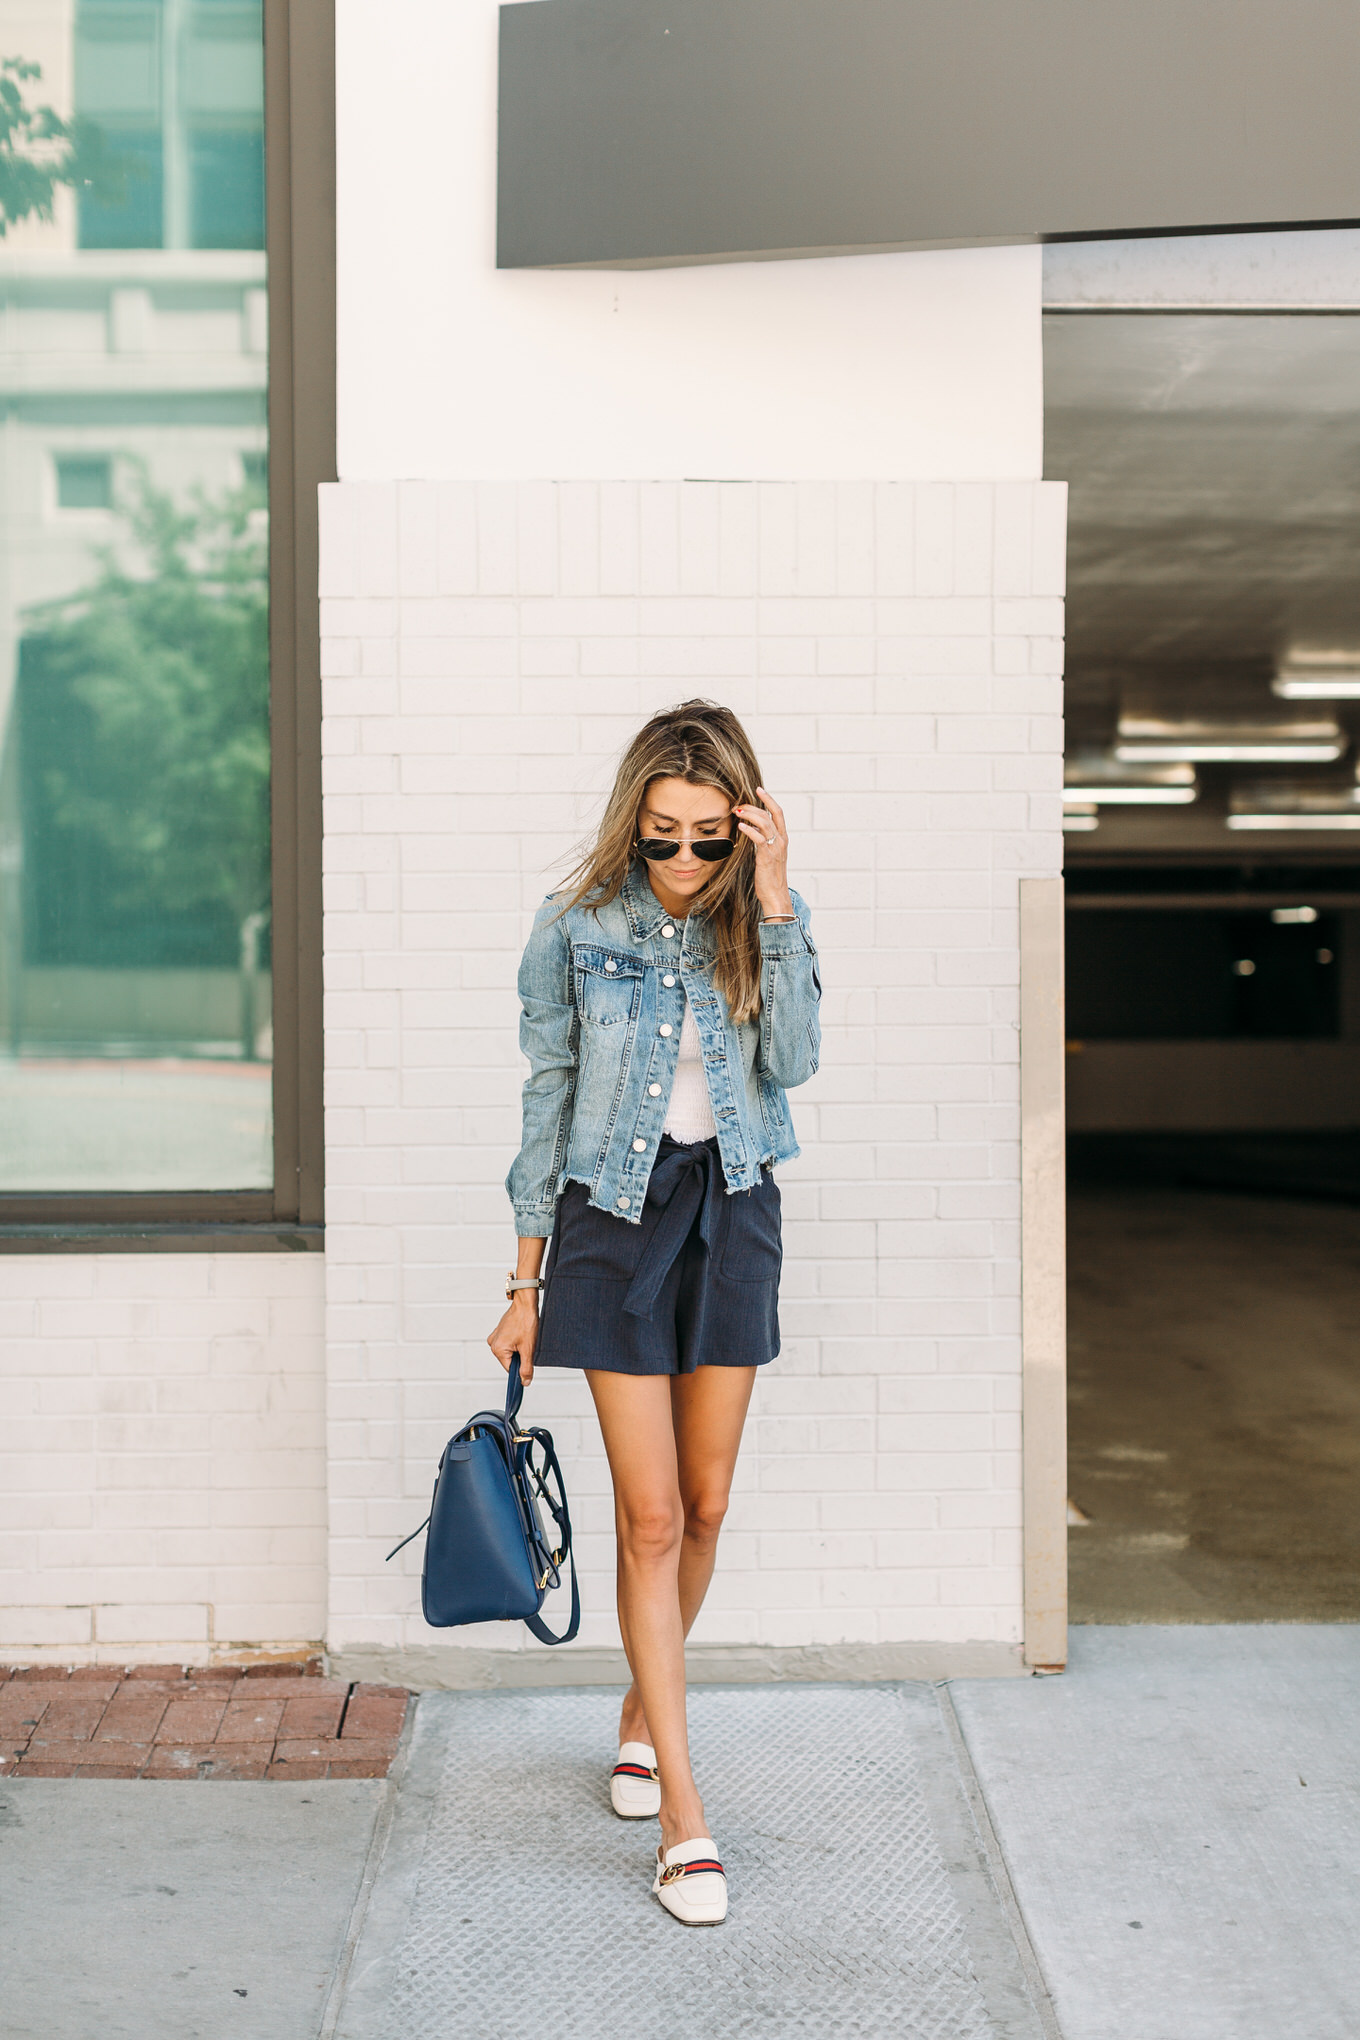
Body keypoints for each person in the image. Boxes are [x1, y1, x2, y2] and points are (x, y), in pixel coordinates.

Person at [487, 698, 821, 1926]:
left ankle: (642, 1705)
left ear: (742, 831)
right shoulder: (573, 927)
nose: (681, 864)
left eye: (706, 842)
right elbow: (546, 1093)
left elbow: (791, 1066)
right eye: (659, 839)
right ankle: (684, 1812)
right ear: (630, 827)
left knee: (712, 1501)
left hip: (732, 1207)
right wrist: (523, 1283)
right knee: (650, 1516)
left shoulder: (760, 918)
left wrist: (773, 899)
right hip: (609, 1223)